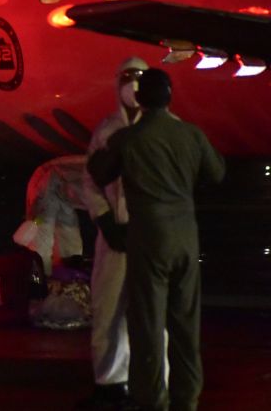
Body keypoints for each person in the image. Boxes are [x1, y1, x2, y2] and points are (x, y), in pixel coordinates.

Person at [88, 68, 225, 411]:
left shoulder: (129, 138)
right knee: (185, 322)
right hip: (185, 237)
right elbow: (217, 173)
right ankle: (187, 398)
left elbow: (100, 171)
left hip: (148, 238)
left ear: (139, 98)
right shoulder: (190, 134)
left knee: (148, 322)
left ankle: (152, 400)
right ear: (170, 97)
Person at [77, 56, 148, 408]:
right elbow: (89, 182)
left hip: (149, 237)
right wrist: (105, 220)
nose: (132, 85)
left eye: (138, 78)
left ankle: (150, 384)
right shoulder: (107, 130)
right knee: (107, 307)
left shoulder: (160, 128)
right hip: (114, 236)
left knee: (151, 312)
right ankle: (110, 382)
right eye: (127, 77)